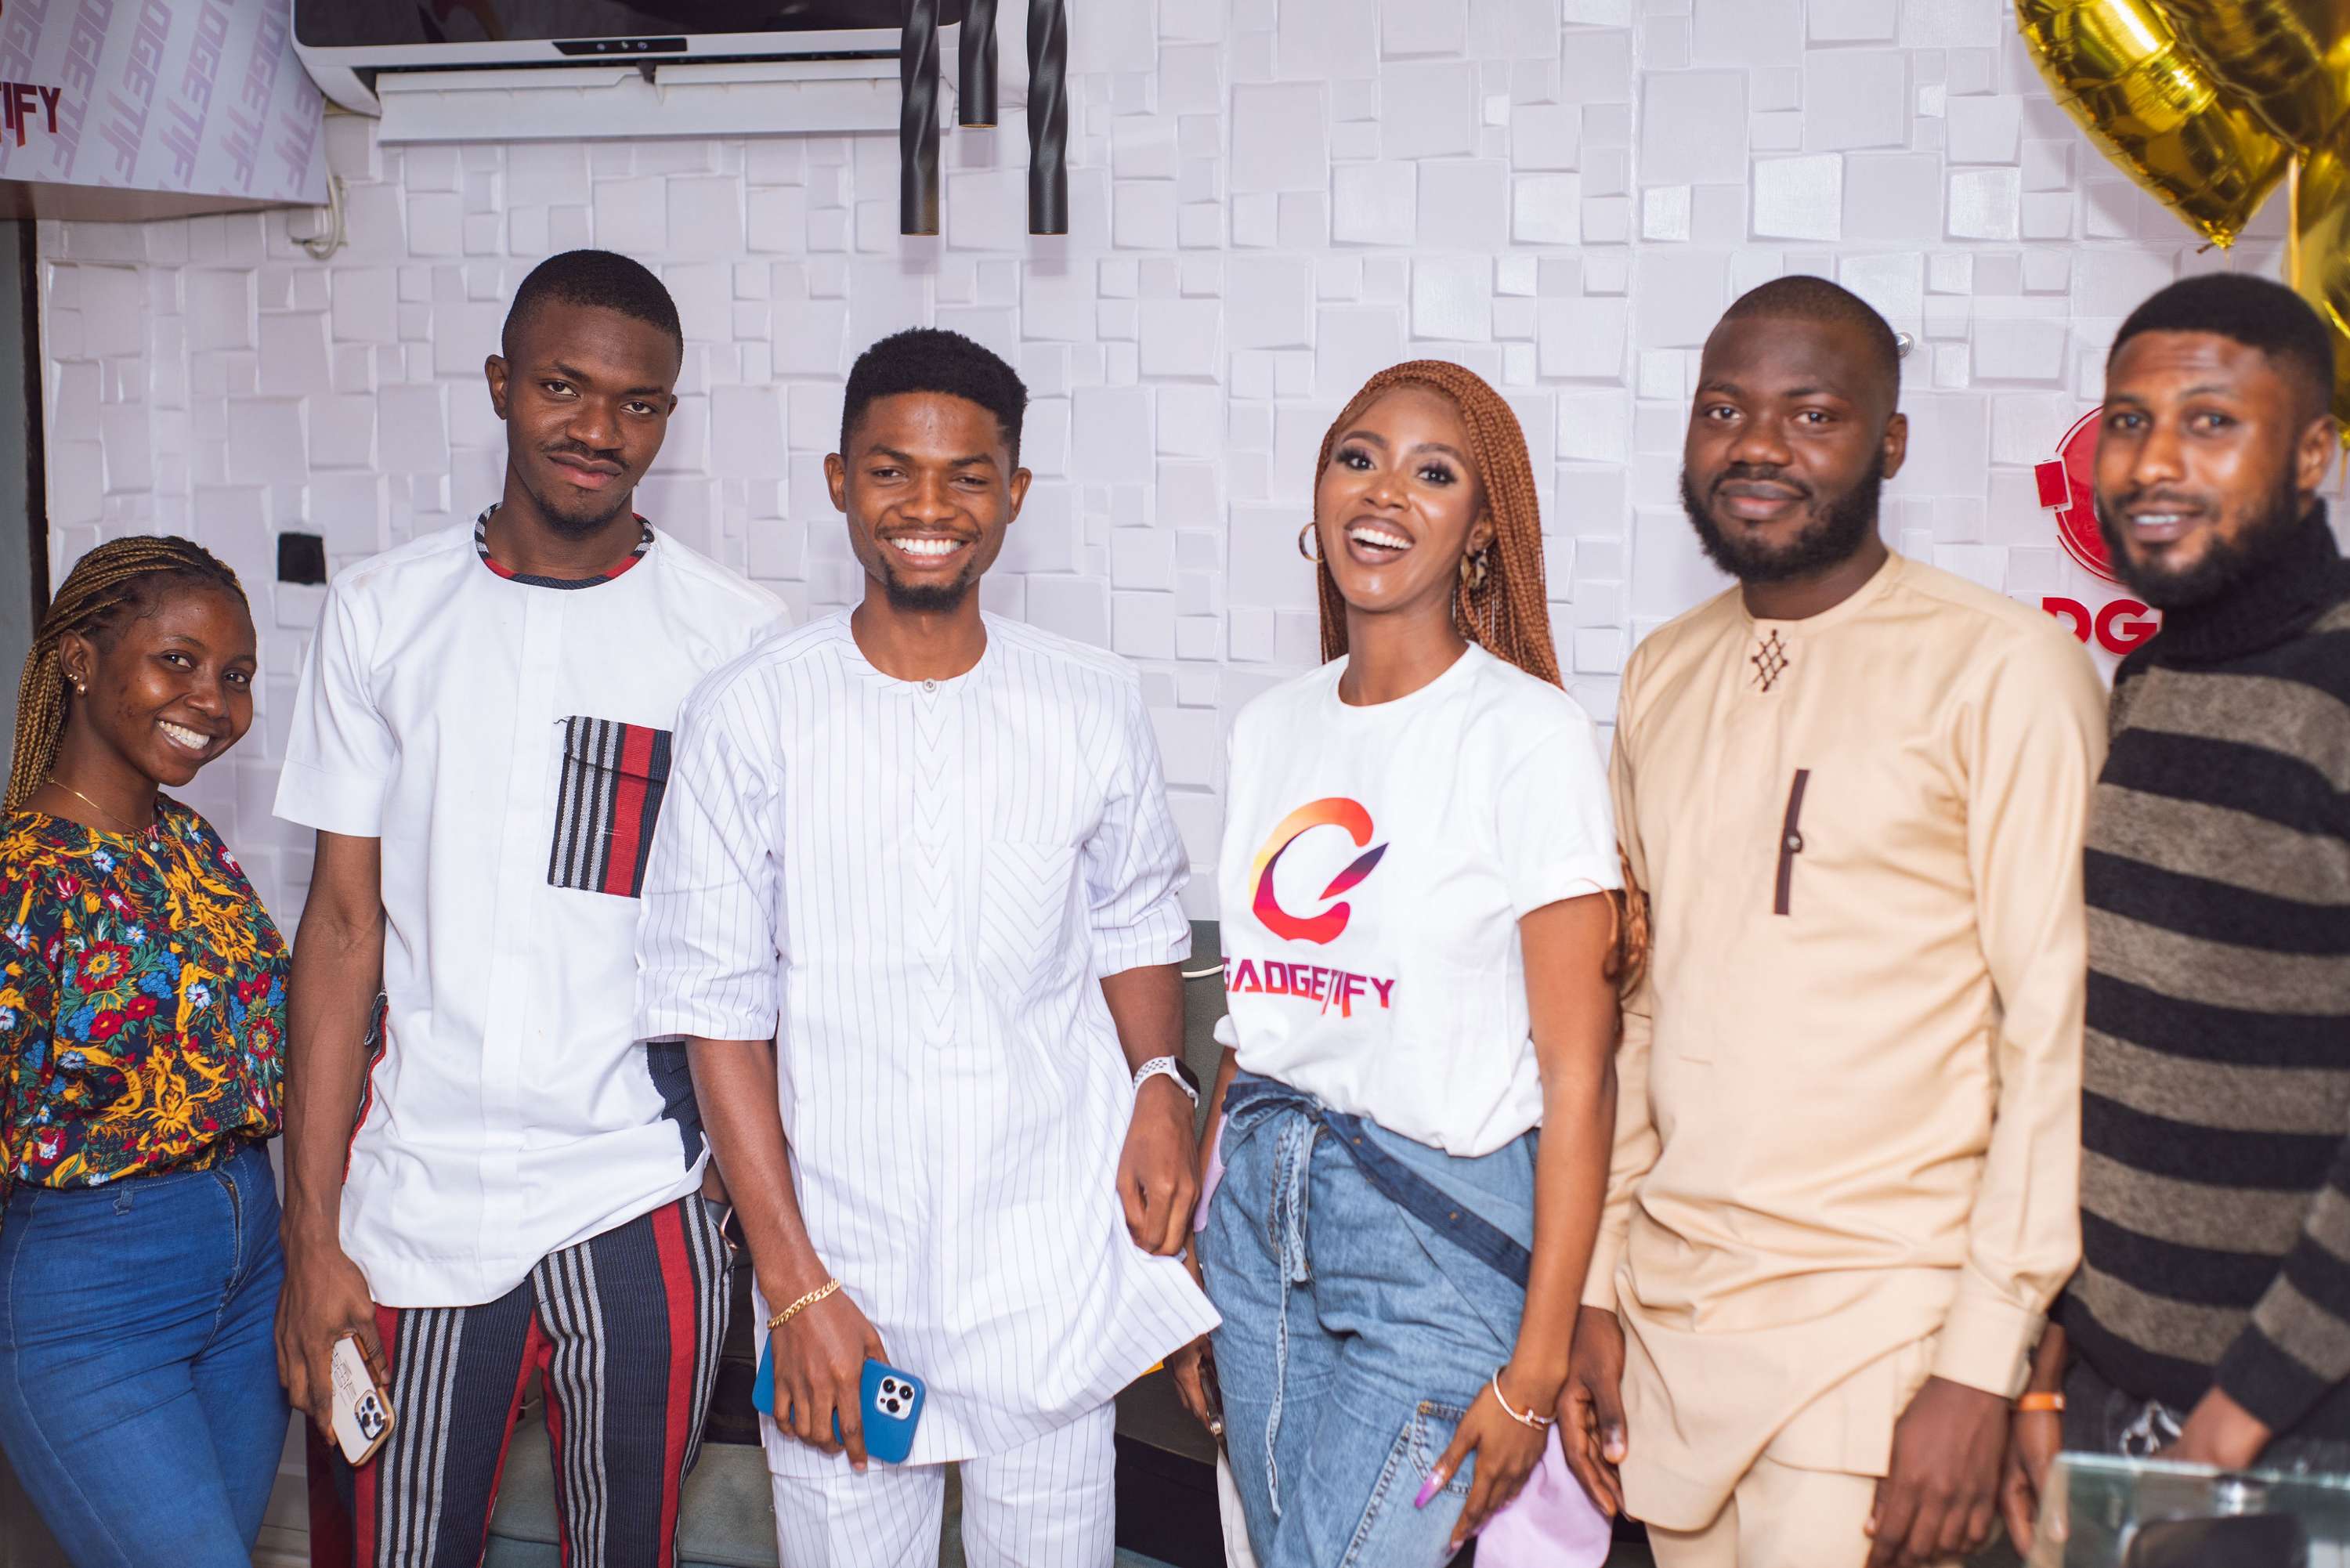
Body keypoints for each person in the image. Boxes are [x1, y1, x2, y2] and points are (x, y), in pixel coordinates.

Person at [633, 326, 1218, 1567]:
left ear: (1015, 493)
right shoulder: (751, 712)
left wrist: (1161, 1083)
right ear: (840, 480)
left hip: (1046, 1281)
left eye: (968, 475)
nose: (929, 507)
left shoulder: (1090, 699)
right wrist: (795, 1286)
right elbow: (716, 1011)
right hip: (846, 1287)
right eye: (893, 470)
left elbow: (1134, 919)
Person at [1564, 276, 2106, 1568]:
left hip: (1886, 1336)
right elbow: (1638, 1013)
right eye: (1723, 410)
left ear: (1891, 443)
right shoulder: (1662, 670)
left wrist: (1984, 1364)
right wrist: (1595, 1286)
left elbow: (2058, 1034)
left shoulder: (2005, 668)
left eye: (1813, 414)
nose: (1757, 446)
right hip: (1674, 1330)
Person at [273, 249, 783, 1568]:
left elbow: (762, 952)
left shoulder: (735, 638)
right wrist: (310, 1231)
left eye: (637, 402)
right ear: (502, 384)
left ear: (668, 417)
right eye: (564, 387)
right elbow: (340, 929)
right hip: (415, 1192)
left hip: (642, 1190)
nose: (598, 428)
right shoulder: (382, 612)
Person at [1183, 360, 1627, 1566]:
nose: (1384, 492)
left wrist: (1535, 1369)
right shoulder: (1272, 726)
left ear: (1482, 528)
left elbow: (1580, 1078)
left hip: (1435, 1234)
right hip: (1258, 1218)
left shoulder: (1527, 735)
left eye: (1434, 473)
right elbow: (1255, 1021)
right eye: (1358, 457)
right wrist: (1199, 1262)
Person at [2001, 274, 2350, 1549]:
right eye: (2129, 421)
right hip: (2117, 1397)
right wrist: (2054, 1360)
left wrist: (2237, 1417)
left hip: (2292, 1429)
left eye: (2211, 422)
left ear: (2312, 453)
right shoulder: (2149, 676)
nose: (2154, 462)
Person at [0, 537, 284, 1568]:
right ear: (80, 661)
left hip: (253, 1270)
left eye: (235, 676)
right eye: (179, 661)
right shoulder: (22, 876)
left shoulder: (192, 845)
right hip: (93, 1299)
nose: (213, 701)